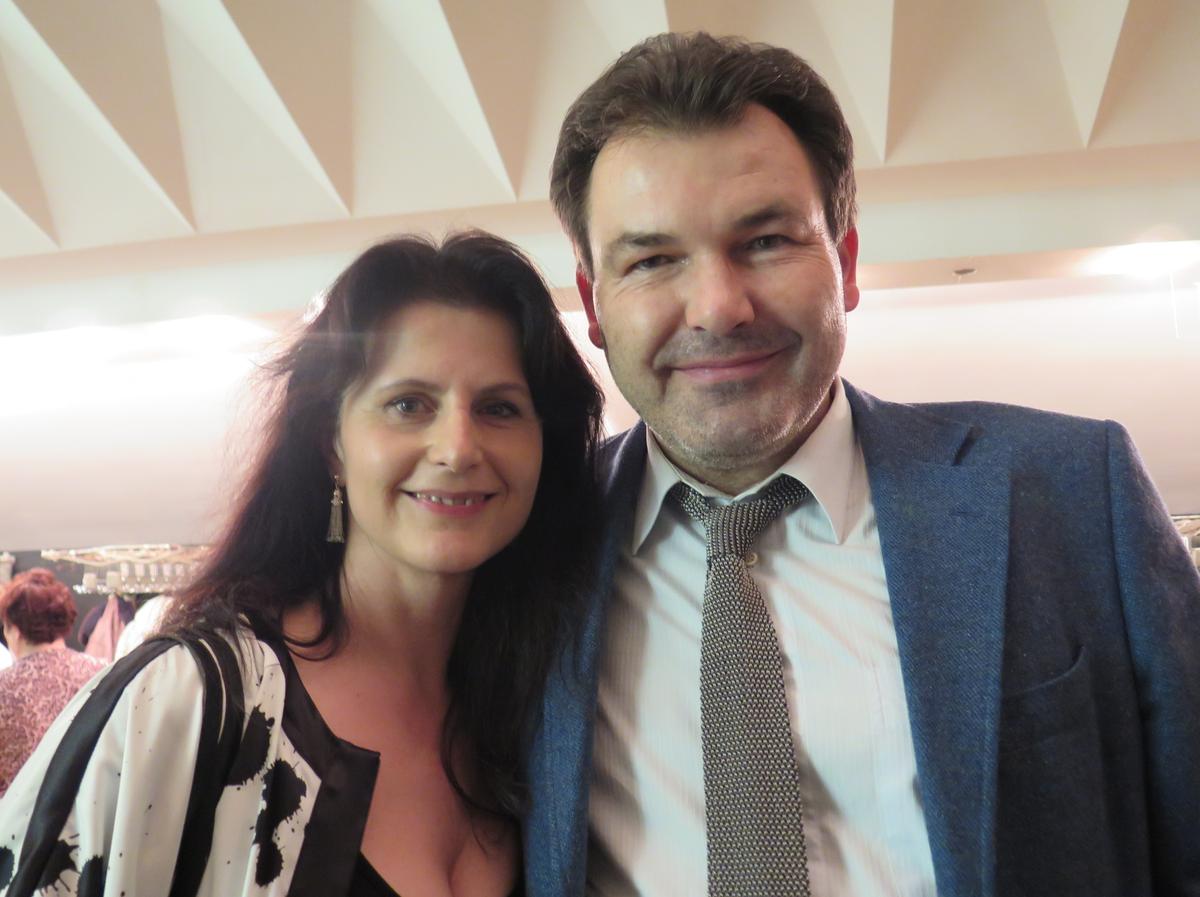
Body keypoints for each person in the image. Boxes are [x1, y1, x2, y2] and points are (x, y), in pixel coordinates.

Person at [523, 31, 1200, 897]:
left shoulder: (1068, 490)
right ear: (593, 303)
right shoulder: (532, 542)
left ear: (842, 264)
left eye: (766, 240)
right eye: (653, 260)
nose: (720, 307)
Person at [0, 232, 603, 897]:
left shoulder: (537, 710)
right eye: (409, 404)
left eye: (499, 407)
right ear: (332, 445)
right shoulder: (194, 700)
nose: (458, 447)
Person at [0, 568, 106, 797]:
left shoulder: (3, 687)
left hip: (18, 824)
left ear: (15, 631)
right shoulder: (103, 675)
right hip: (89, 819)